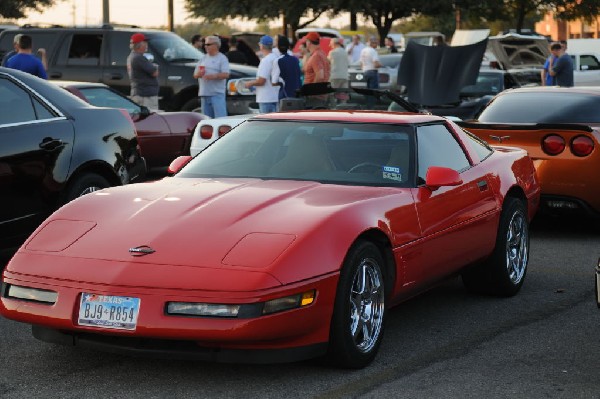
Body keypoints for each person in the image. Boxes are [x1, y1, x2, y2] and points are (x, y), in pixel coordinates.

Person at [193, 35, 230, 118]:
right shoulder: (203, 59)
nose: (205, 46)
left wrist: (213, 76)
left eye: (208, 44)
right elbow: (195, 75)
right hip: (204, 93)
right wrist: (199, 74)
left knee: (220, 119)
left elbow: (226, 74)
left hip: (216, 94)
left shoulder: (222, 58)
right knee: (207, 119)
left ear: (216, 45)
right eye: (205, 44)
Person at [245, 35, 280, 113]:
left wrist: (249, 83)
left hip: (266, 98)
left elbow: (261, 81)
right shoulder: (276, 57)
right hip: (275, 96)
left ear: (262, 46)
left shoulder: (265, 61)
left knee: (266, 123)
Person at [127, 33, 159, 111]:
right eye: (145, 43)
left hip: (140, 94)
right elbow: (155, 73)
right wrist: (155, 66)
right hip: (145, 97)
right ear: (139, 45)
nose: (146, 45)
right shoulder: (139, 58)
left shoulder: (131, 57)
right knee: (151, 119)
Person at [360, 36, 382, 108]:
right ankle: (372, 106)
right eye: (376, 43)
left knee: (368, 91)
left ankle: (367, 105)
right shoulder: (373, 51)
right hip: (372, 72)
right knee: (373, 91)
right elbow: (376, 64)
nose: (377, 45)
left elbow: (361, 63)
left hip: (365, 71)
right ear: (372, 43)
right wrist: (381, 65)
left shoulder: (363, 51)